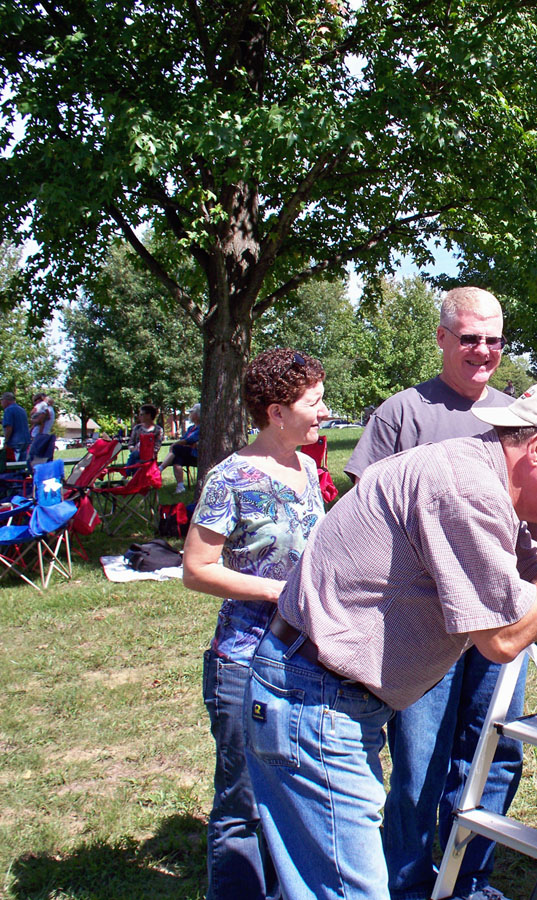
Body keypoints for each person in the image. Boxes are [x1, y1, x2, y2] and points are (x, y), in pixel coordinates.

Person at [244, 383, 537, 900]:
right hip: (314, 698)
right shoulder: (465, 488)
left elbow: (527, 582)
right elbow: (502, 637)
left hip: (325, 694)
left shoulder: (481, 475)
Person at [344, 288, 522, 900]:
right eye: (470, 338)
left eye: (494, 339)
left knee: (496, 752)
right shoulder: (402, 413)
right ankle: (413, 884)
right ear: (442, 338)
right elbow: (367, 516)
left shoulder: (517, 416)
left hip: (501, 612)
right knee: (421, 763)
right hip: (426, 622)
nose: (483, 351)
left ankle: (469, 880)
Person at [182, 349, 329, 900]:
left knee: (290, 796)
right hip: (243, 663)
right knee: (242, 805)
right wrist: (277, 592)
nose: (323, 412)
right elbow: (196, 569)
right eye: (313, 402)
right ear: (275, 411)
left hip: (300, 662)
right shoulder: (231, 477)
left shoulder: (307, 468)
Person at [159, 403, 200, 494]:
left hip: (196, 454)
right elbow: (184, 440)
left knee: (176, 448)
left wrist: (176, 444)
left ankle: (160, 469)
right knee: (177, 458)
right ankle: (180, 486)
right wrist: (184, 443)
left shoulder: (201, 428)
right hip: (187, 452)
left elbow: (189, 440)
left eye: (191, 413)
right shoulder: (191, 428)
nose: (190, 415)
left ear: (197, 415)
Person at [0, 392, 29, 461]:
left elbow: (9, 427)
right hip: (25, 441)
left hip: (15, 442)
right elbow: (16, 423)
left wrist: (6, 442)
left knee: (14, 464)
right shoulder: (22, 410)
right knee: (22, 464)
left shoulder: (8, 410)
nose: (1, 403)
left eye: (1, 401)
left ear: (6, 400)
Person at [27, 392, 56, 464]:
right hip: (41, 434)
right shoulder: (49, 409)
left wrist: (29, 420)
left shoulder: (46, 409)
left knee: (34, 459)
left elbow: (40, 421)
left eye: (35, 401)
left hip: (39, 436)